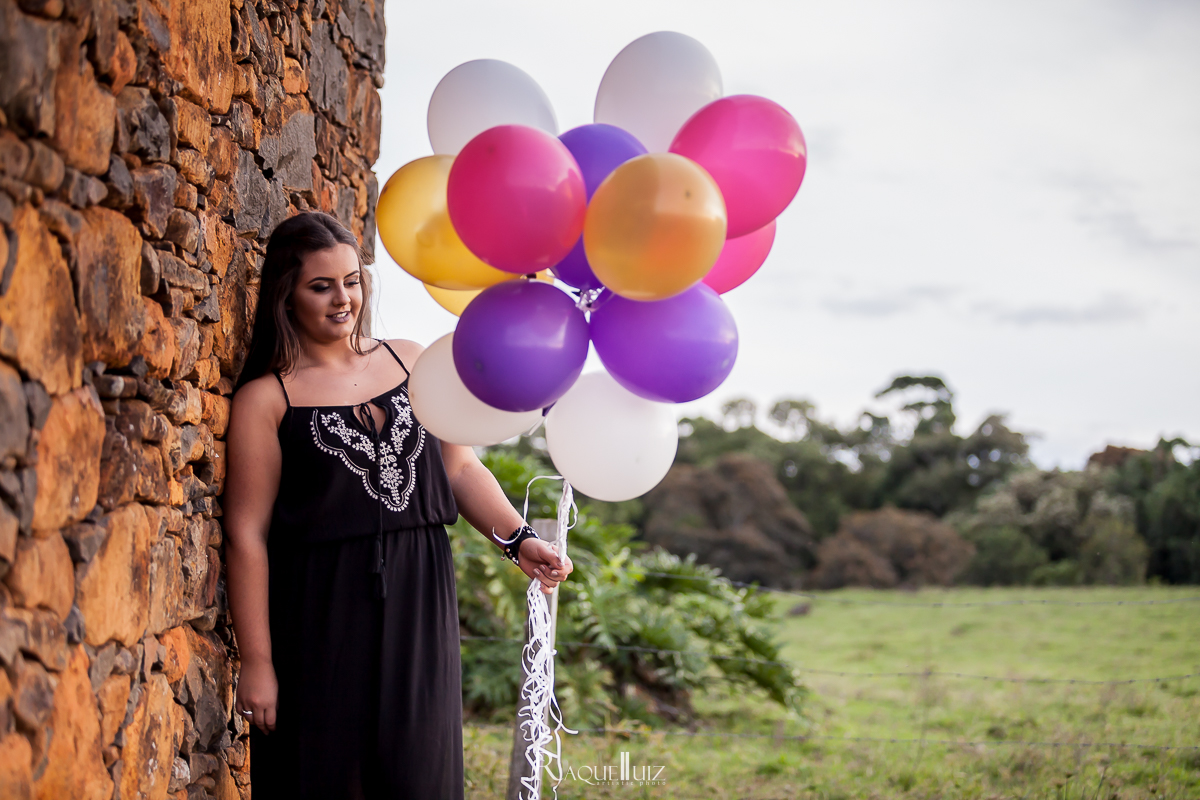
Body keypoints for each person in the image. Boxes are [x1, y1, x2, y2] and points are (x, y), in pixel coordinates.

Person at [223, 211, 573, 799]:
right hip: (318, 607)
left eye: (353, 281)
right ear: (287, 295)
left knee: (422, 770)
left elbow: (458, 467)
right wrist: (257, 662)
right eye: (321, 286)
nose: (344, 299)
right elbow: (246, 535)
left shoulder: (412, 360)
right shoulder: (267, 398)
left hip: (421, 592)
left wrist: (518, 540)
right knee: (325, 775)